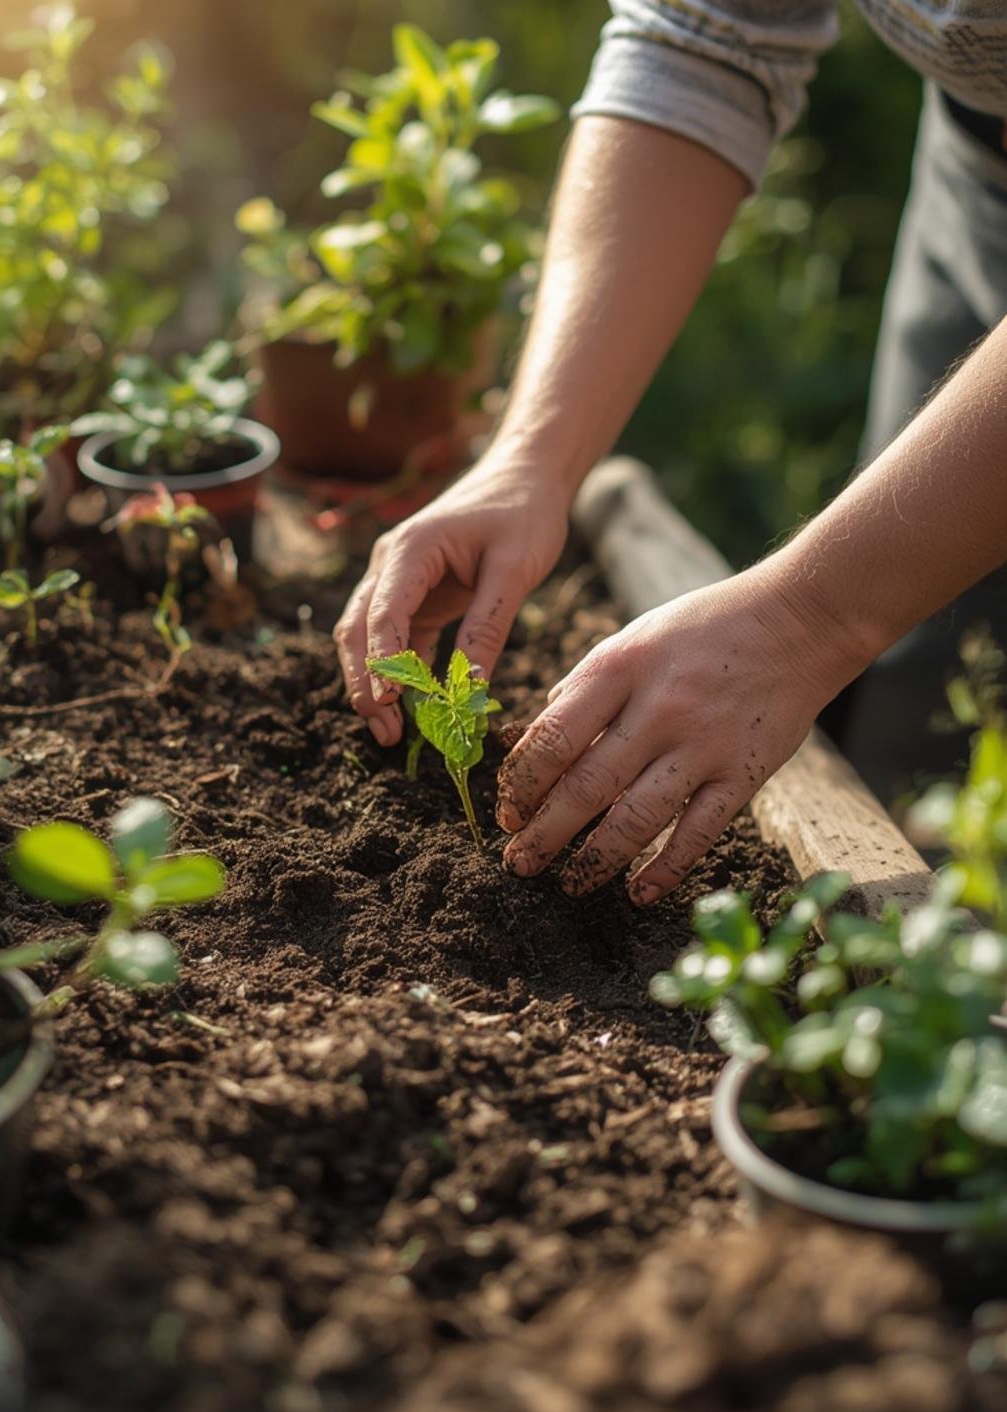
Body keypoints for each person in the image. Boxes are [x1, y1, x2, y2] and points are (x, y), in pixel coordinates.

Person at [334, 1, 1007, 905]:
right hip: (978, 164)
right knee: (926, 719)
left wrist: (808, 617)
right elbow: (706, 39)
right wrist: (530, 457)